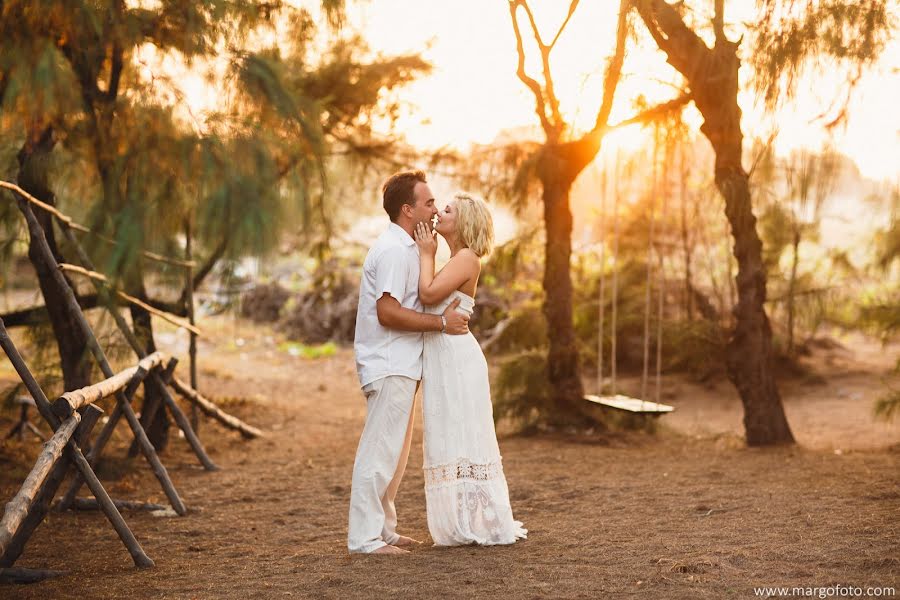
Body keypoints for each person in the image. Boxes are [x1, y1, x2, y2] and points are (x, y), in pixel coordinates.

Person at [348, 170, 471, 554]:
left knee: (395, 457)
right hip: (388, 363)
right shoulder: (390, 251)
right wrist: (440, 323)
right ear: (408, 209)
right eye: (429, 202)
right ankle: (364, 538)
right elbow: (387, 312)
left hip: (404, 364)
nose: (435, 209)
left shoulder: (409, 249)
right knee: (379, 451)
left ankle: (383, 530)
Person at [413, 192, 527, 546]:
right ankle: (463, 519)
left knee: (463, 435)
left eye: (446, 211)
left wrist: (425, 254)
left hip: (457, 358)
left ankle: (477, 521)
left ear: (462, 223)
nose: (438, 214)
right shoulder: (458, 258)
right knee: (450, 434)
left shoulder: (466, 258)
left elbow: (428, 295)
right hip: (445, 355)